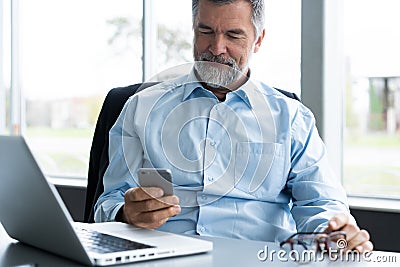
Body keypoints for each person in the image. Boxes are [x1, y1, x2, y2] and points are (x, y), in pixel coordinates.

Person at [95, 0, 372, 252]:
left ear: (258, 39)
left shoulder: (291, 118)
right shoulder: (140, 107)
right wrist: (125, 212)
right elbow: (108, 202)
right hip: (162, 259)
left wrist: (333, 231)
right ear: (193, 29)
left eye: (233, 35)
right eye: (205, 31)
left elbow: (321, 204)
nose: (216, 49)